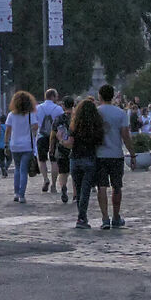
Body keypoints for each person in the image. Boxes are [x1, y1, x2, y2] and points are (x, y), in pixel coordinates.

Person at [92, 83, 130, 230]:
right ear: (113, 96)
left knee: (101, 186)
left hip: (100, 154)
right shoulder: (120, 113)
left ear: (99, 96)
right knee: (117, 186)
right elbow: (125, 135)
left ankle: (105, 218)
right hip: (116, 154)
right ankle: (116, 215)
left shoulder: (96, 112)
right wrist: (132, 154)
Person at [67, 94, 102, 228]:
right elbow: (99, 142)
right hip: (89, 159)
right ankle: (82, 217)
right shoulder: (96, 126)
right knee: (86, 190)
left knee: (79, 190)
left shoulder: (75, 125)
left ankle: (82, 217)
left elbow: (70, 143)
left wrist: (61, 140)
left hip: (75, 159)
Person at [2, 92, 38, 205]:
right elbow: (35, 128)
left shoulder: (11, 115)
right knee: (23, 170)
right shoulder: (30, 115)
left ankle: (16, 193)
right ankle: (22, 195)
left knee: (17, 169)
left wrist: (6, 144)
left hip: (15, 145)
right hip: (27, 145)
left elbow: (8, 131)